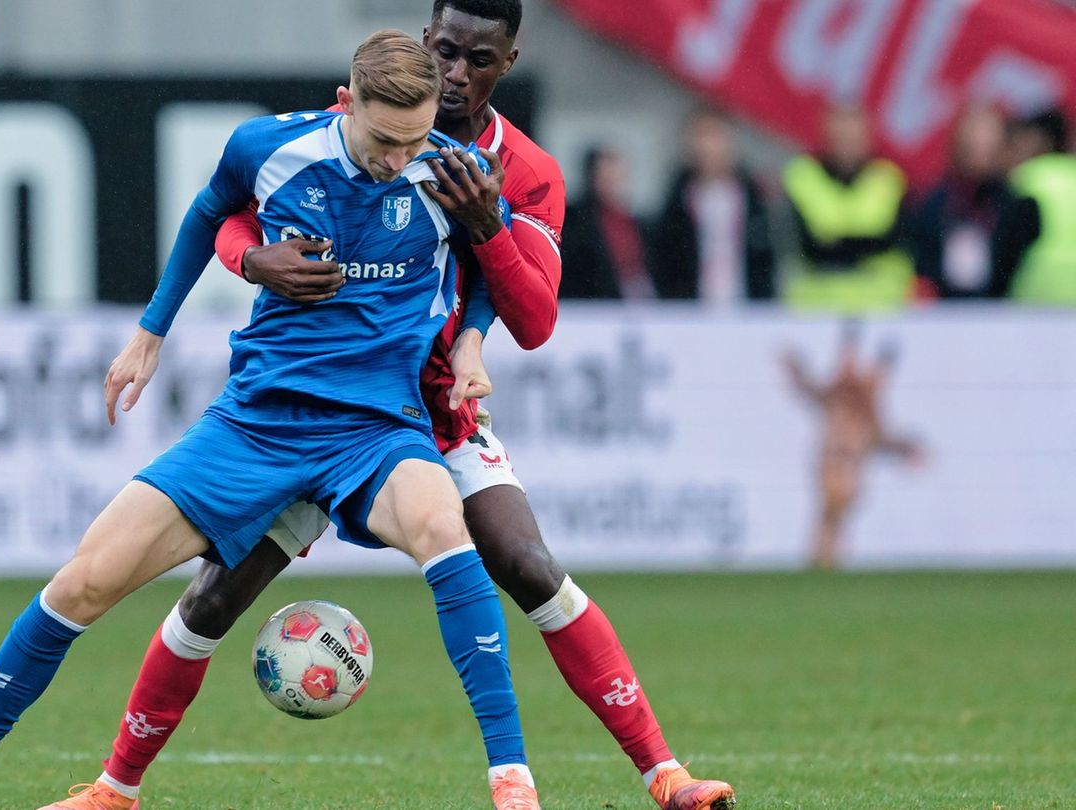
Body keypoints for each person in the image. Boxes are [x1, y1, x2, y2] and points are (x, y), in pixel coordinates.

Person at [68, 3, 736, 810]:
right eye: (446, 51)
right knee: (214, 594)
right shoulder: (368, 122)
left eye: (478, 59)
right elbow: (233, 210)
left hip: (434, 414)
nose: (458, 73)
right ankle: (113, 789)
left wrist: (486, 236)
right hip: (320, 404)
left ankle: (664, 774)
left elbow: (535, 319)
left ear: (509, 62)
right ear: (424, 43)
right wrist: (252, 261)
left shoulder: (523, 173)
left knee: (526, 564)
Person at [0, 29, 542, 810]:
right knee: (82, 583)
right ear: (347, 102)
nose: (399, 158)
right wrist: (150, 333)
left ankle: (513, 786)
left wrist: (470, 344)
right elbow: (206, 216)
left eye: (413, 138)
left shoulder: (454, 172)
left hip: (376, 427)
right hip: (256, 422)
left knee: (445, 532)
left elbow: (491, 268)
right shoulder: (267, 148)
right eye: (383, 139)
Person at [782, 323, 923, 570]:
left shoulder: (864, 401)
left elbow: (879, 437)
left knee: (833, 514)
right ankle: (823, 558)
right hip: (835, 461)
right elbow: (811, 392)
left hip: (847, 465)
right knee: (830, 514)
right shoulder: (844, 395)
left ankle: (825, 559)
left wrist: (904, 448)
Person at [783, 104, 914, 312]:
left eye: (852, 138)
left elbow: (893, 240)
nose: (846, 145)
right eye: (840, 138)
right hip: (817, 308)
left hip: (880, 308)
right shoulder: (803, 176)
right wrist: (863, 243)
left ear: (867, 137)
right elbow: (805, 245)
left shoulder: (888, 178)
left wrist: (833, 241)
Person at [647, 107, 775, 305]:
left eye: (715, 135)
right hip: (693, 310)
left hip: (744, 306)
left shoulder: (751, 196)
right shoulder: (677, 198)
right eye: (700, 135)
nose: (707, 146)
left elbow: (765, 259)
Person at [910, 105, 1010, 299]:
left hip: (1003, 314)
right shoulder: (933, 203)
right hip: (945, 314)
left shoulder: (1014, 205)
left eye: (988, 145)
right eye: (973, 144)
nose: (980, 152)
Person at [991, 108, 1076, 305]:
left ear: (1040, 140)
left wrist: (994, 295)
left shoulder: (1031, 180)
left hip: (1039, 303)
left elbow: (1008, 250)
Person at [559, 147, 653, 300]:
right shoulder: (576, 221)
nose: (613, 181)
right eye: (607, 176)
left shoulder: (632, 221)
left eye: (617, 176)